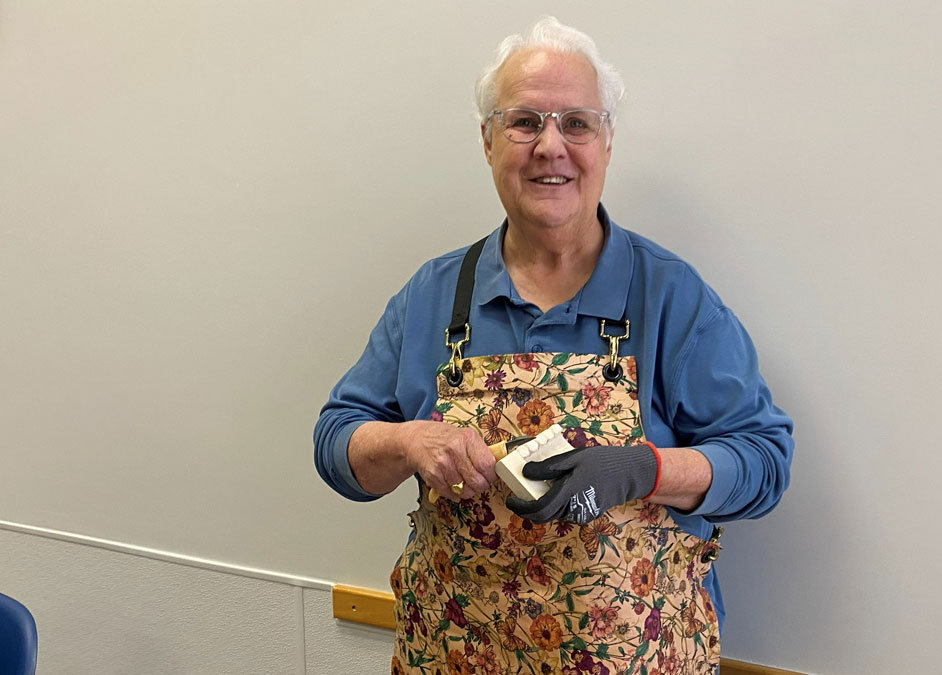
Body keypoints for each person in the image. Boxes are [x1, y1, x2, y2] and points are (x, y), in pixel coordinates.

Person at [314, 16, 793, 674]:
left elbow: (764, 461)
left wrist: (644, 470)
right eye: (524, 121)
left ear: (607, 141)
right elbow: (336, 443)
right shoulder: (432, 297)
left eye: (576, 123)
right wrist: (405, 442)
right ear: (487, 142)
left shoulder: (672, 298)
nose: (550, 146)